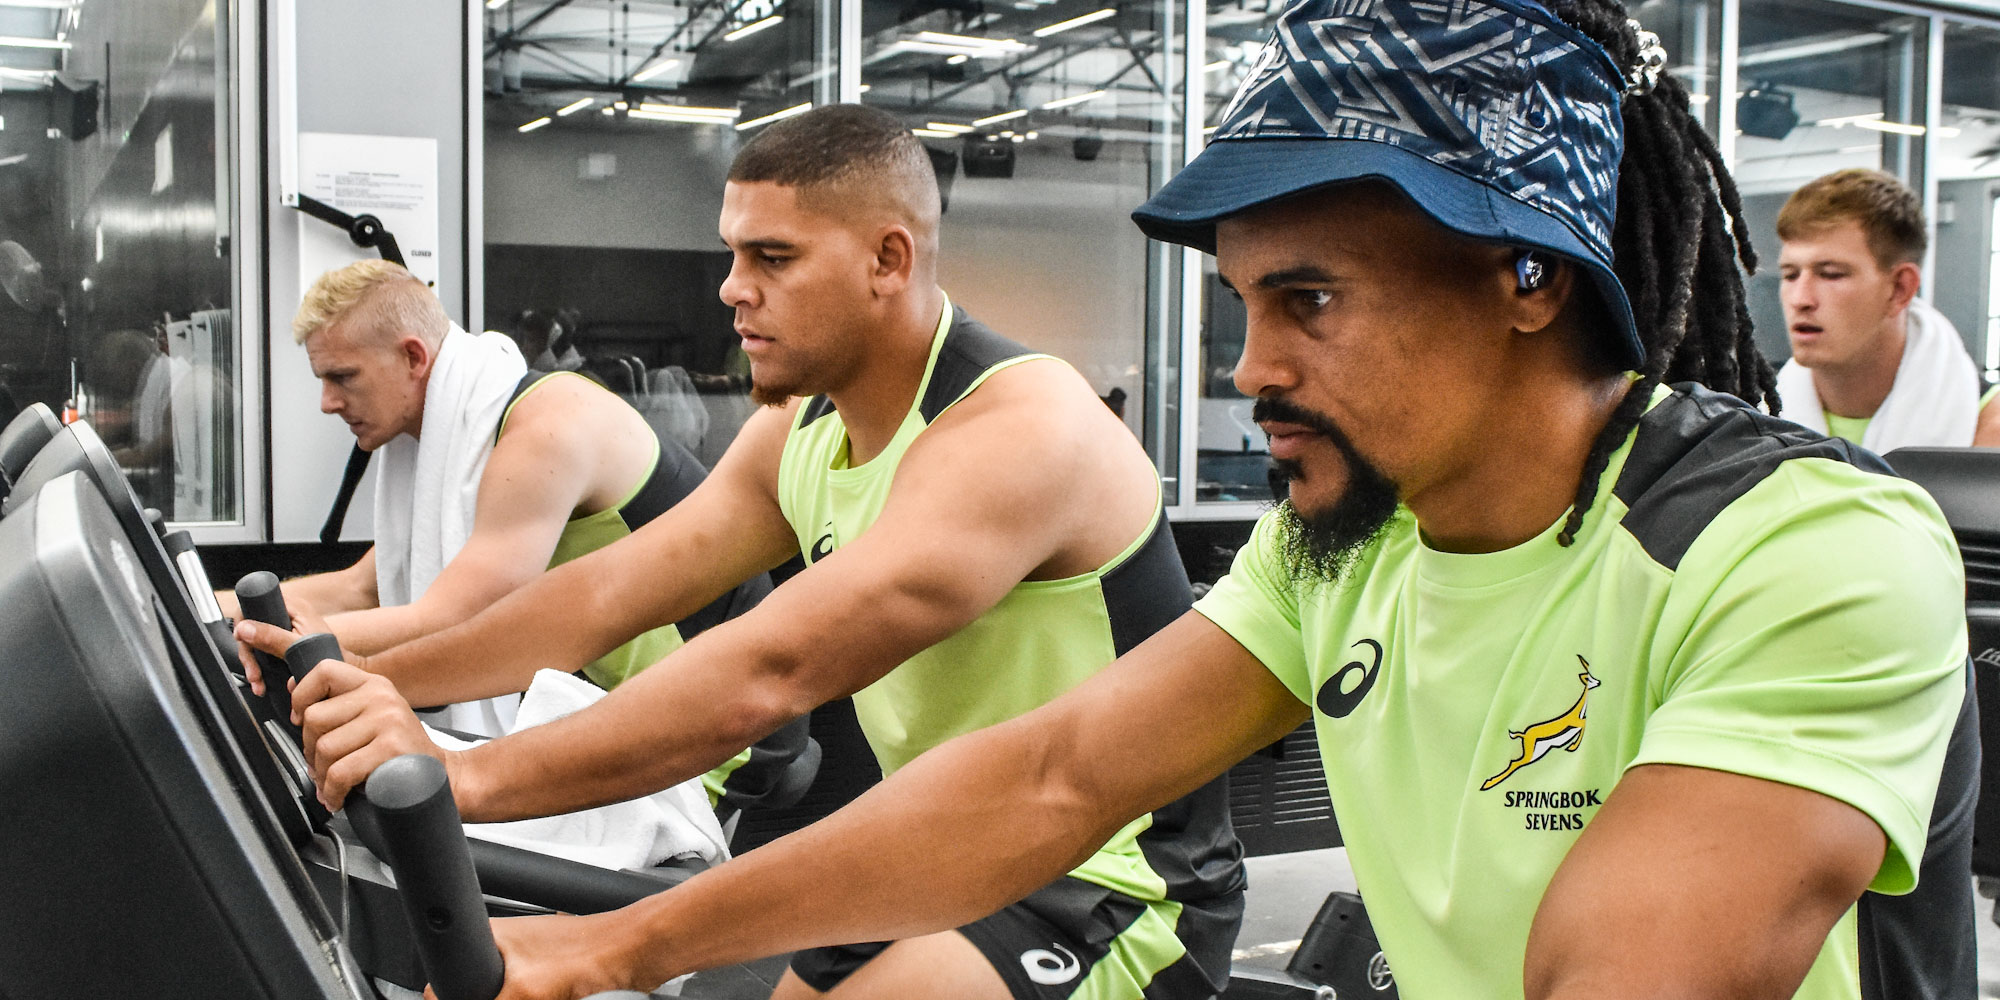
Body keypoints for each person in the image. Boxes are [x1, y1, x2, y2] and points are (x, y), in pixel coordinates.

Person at [419, 2, 1976, 998]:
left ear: (1526, 278)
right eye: (1242, 308)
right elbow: (1049, 777)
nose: (1250, 370)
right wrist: (619, 946)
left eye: (1308, 301)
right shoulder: (1344, 550)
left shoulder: (1801, 549)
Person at [240, 105, 1245, 1000]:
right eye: (731, 255)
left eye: (772, 258)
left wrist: (469, 778)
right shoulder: (805, 425)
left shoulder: (1016, 429)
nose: (731, 289)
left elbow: (769, 671)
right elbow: (598, 598)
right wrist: (352, 678)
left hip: (1102, 872)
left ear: (886, 261)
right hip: (931, 837)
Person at [237, 260, 801, 805]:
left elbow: (458, 617)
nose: (327, 402)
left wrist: (307, 647)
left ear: (413, 356)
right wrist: (214, 612)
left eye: (343, 377)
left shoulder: (545, 428)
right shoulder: (458, 437)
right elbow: (365, 588)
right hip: (622, 704)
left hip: (719, 725)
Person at [1774, 168, 1989, 451]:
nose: (1801, 299)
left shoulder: (1988, 432)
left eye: (1831, 274)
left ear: (1900, 288)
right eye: (1790, 275)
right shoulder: (1755, 415)